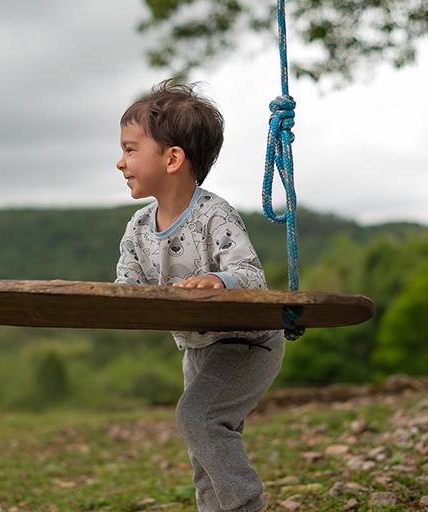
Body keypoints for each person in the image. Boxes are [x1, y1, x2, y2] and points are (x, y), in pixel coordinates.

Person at [114, 80, 285, 512]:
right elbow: (125, 286)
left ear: (172, 158)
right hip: (196, 348)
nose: (120, 162)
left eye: (131, 149)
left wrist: (221, 281)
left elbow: (250, 275)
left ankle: (246, 504)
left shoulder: (215, 216)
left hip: (248, 341)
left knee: (199, 419)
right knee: (203, 446)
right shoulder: (138, 228)